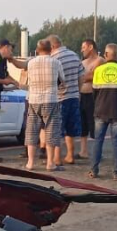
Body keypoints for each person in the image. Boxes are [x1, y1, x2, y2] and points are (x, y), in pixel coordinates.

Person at [89, 43, 117, 181]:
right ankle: (116, 172)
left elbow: (94, 93)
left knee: (98, 141)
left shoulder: (99, 71)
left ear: (106, 55)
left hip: (100, 110)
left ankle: (94, 171)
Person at [23, 40, 65, 172]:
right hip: (50, 99)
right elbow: (62, 80)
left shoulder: (30, 63)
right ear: (51, 49)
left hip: (34, 100)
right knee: (51, 131)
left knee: (31, 131)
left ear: (37, 49)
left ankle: (30, 163)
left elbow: (26, 81)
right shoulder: (56, 62)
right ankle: (50, 163)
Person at [48, 34, 85, 165]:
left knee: (57, 129)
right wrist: (78, 91)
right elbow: (82, 77)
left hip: (60, 98)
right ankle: (70, 155)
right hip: (74, 96)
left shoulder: (53, 58)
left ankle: (56, 158)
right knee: (71, 128)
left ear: (52, 46)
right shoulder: (74, 56)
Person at [78, 39, 105, 159]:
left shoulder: (100, 60)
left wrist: (84, 77)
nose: (81, 50)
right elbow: (81, 77)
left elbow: (95, 76)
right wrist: (85, 76)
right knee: (82, 125)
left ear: (90, 47)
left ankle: (97, 151)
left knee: (94, 124)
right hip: (82, 95)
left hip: (93, 96)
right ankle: (83, 151)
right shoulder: (83, 62)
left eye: (83, 47)